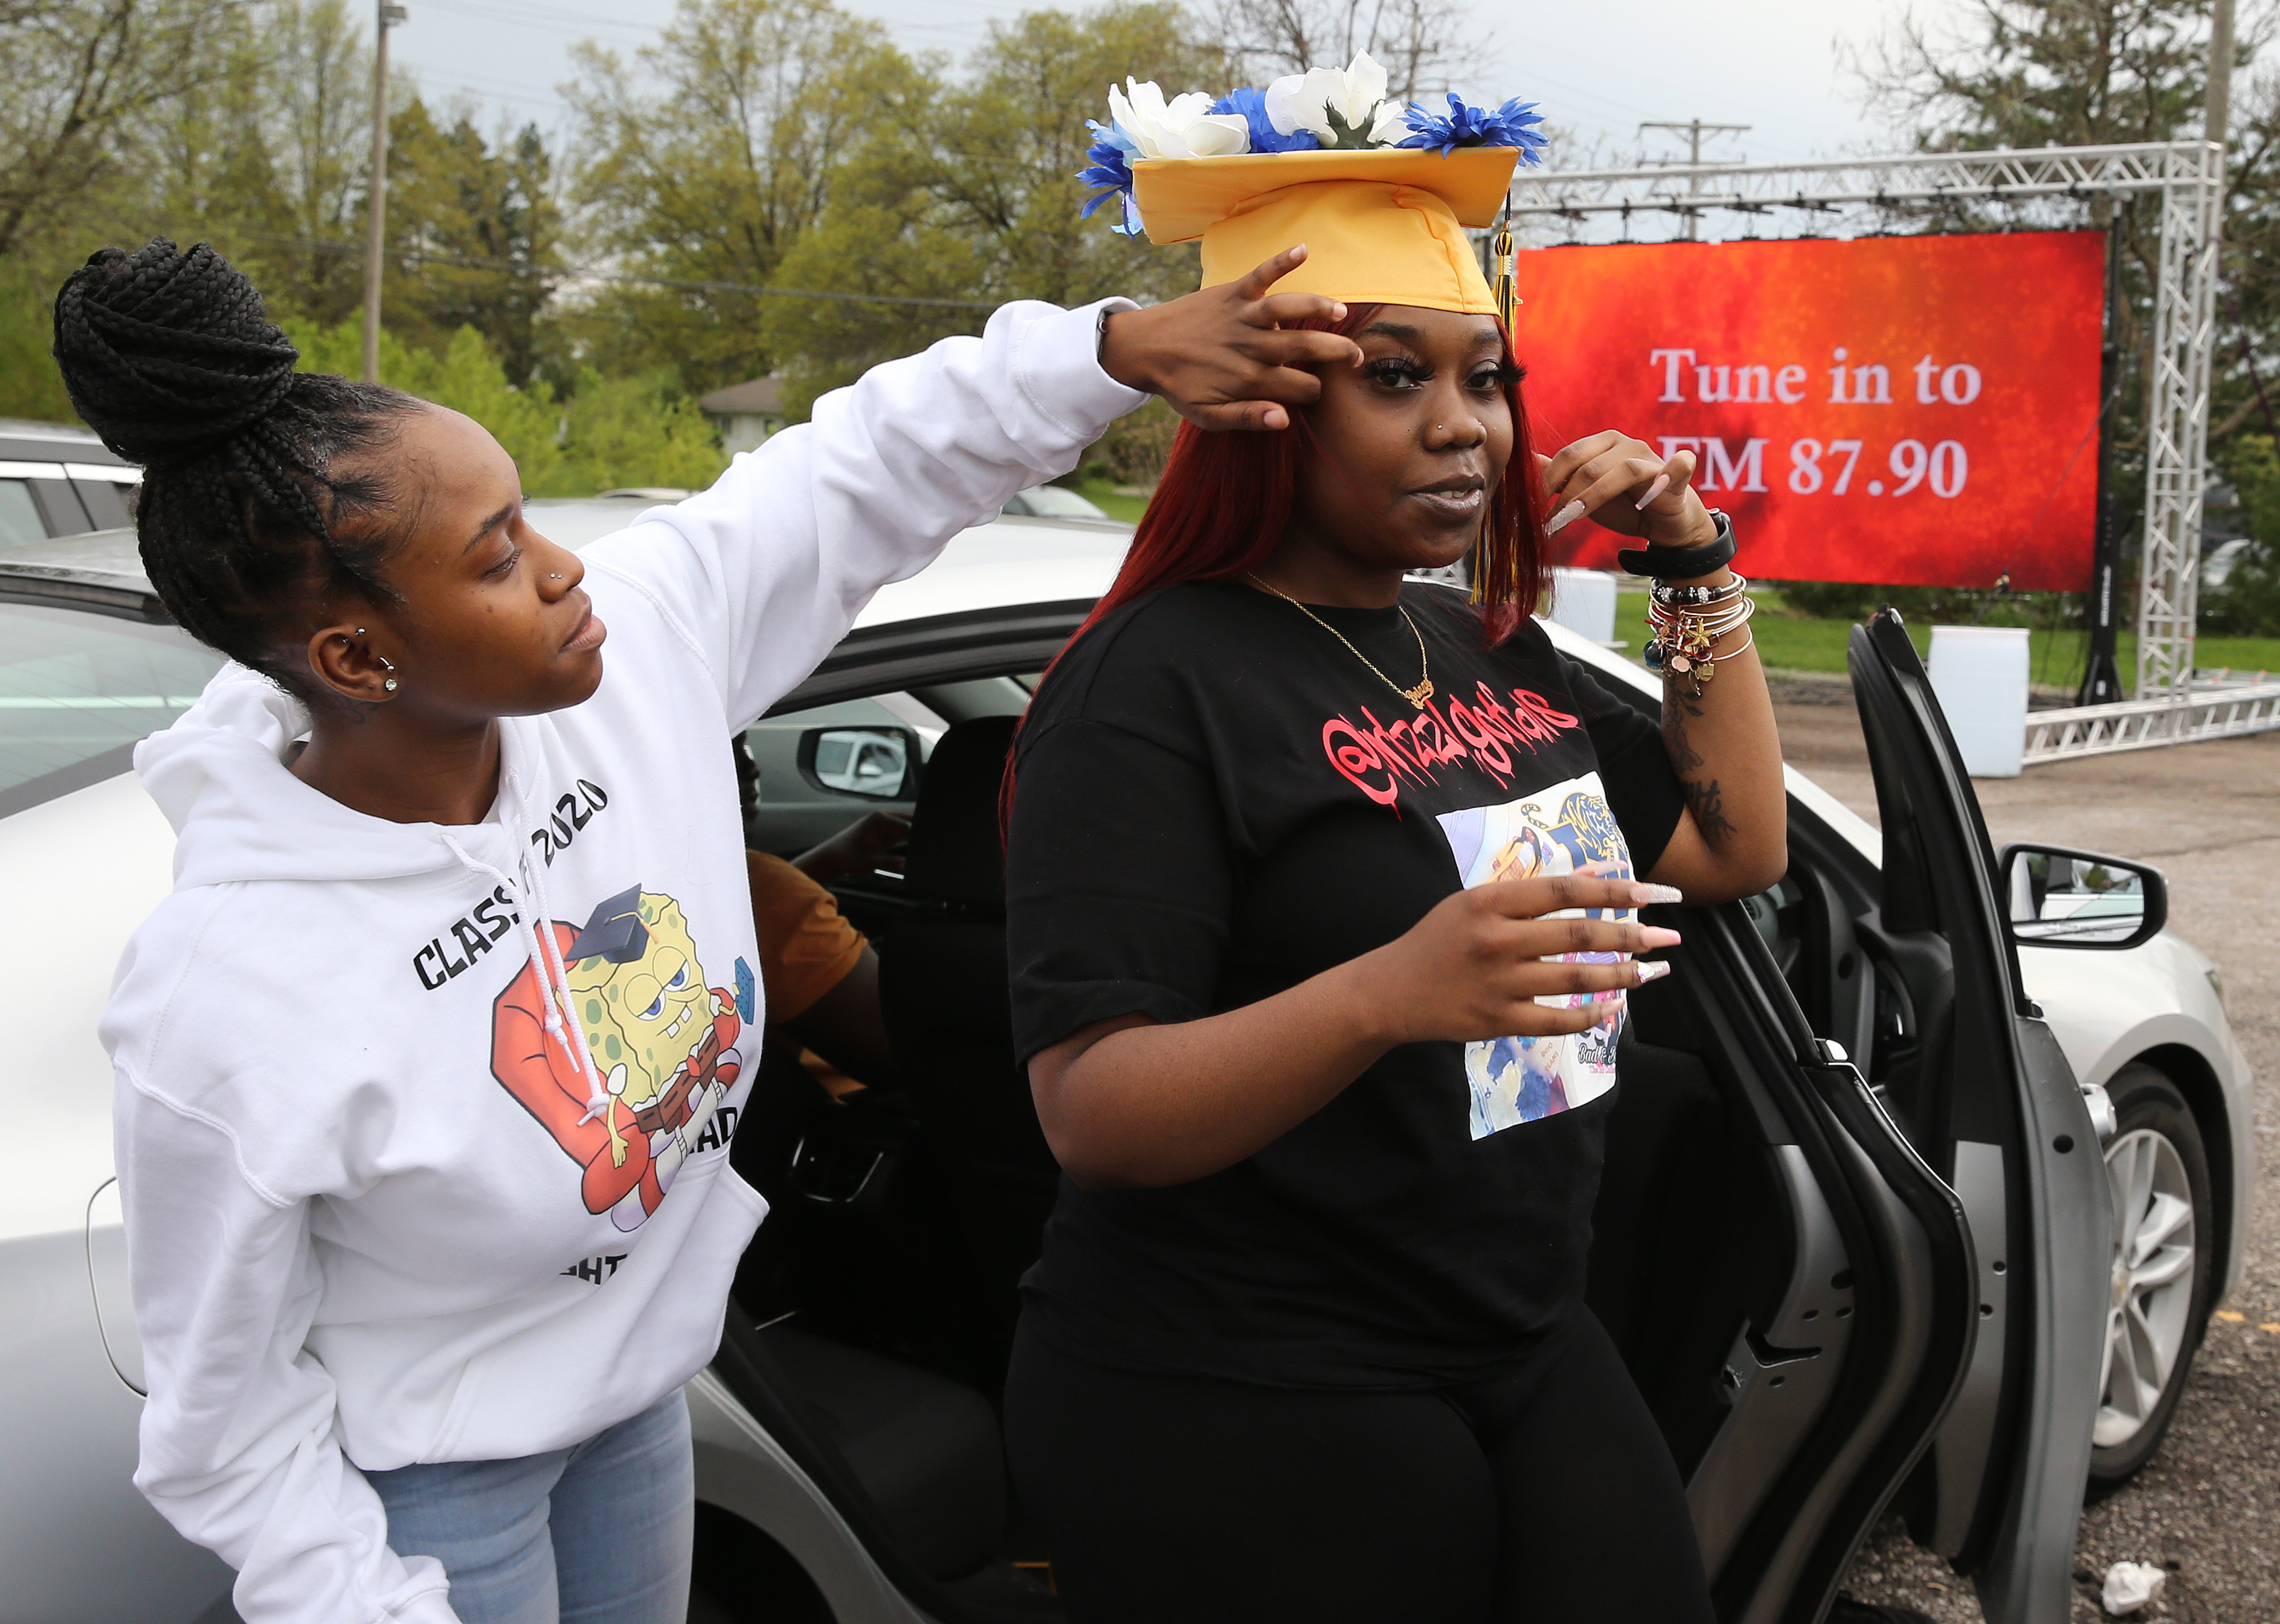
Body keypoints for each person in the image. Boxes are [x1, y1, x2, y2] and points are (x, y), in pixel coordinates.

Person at [69, 234, 1364, 1624]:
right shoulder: (232, 993)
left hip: (641, 1408)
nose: (571, 573)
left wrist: (1109, 353)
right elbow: (226, 1431)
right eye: (500, 559)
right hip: (426, 1487)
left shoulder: (627, 670)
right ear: (355, 659)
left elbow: (853, 473)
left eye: (534, 518)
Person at [1000, 62, 1788, 1624]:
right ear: (1265, 401)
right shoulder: (1151, 685)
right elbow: (1091, 1109)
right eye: (1391, 379)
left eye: (1481, 378)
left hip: (1516, 1323)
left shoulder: (1473, 646)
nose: (1461, 429)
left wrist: (1692, 556)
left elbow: (1729, 846)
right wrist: (1387, 993)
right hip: (1243, 1374)